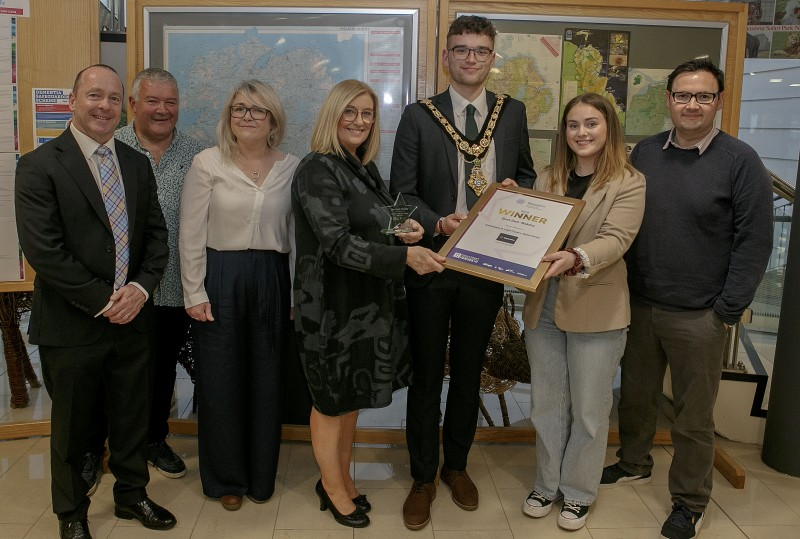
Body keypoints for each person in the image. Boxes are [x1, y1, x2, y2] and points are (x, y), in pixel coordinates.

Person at [600, 57, 773, 539]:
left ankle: (690, 501)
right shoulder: (646, 153)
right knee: (634, 398)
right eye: (682, 95)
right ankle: (633, 462)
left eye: (702, 96)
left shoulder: (741, 161)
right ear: (669, 100)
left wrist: (726, 310)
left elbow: (754, 241)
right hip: (639, 303)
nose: (691, 104)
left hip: (700, 313)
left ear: (718, 101)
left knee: (693, 418)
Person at [14, 64, 175, 539]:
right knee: (72, 427)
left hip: (133, 319)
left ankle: (132, 496)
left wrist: (141, 290)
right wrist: (106, 301)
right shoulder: (39, 164)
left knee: (131, 417)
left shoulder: (135, 161)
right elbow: (45, 251)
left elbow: (155, 237)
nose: (103, 106)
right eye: (94, 96)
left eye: (112, 98)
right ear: (73, 101)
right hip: (73, 322)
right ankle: (71, 512)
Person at [390, 15, 535, 530]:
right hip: (431, 262)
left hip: (486, 266)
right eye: (461, 50)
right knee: (428, 375)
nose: (471, 58)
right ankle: (423, 476)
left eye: (480, 50)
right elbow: (400, 192)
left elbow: (529, 175)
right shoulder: (418, 116)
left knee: (471, 373)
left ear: (492, 56)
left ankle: (457, 466)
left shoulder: (511, 113)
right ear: (446, 57)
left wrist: (518, 195)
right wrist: (436, 221)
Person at [292, 79, 445, 529]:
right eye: (351, 112)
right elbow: (338, 244)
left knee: (351, 396)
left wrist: (410, 230)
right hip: (330, 308)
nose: (360, 121)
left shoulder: (363, 166)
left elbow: (387, 214)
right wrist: (405, 256)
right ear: (332, 115)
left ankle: (337, 476)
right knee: (330, 401)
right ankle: (333, 487)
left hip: (365, 306)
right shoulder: (317, 168)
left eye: (368, 113)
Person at [520, 93, 645, 531]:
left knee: (590, 410)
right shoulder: (548, 176)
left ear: (608, 127)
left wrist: (575, 257)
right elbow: (530, 231)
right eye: (573, 125)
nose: (582, 133)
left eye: (591, 123)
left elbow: (616, 239)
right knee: (547, 405)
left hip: (598, 306)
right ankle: (546, 484)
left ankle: (577, 493)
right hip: (545, 304)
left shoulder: (628, 181)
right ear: (564, 132)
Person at [82, 68, 206, 487]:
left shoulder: (198, 154)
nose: (162, 110)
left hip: (174, 287)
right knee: (109, 375)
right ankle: (97, 447)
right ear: (132, 105)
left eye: (170, 102)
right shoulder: (110, 149)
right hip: (121, 290)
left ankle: (154, 440)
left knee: (161, 373)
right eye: (152, 101)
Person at [179, 80, 298, 511]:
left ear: (273, 120)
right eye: (238, 108)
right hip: (220, 277)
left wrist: (294, 294)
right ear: (228, 117)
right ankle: (227, 478)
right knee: (221, 379)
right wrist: (194, 290)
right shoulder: (207, 163)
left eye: (257, 110)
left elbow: (295, 238)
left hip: (272, 277)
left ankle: (261, 475)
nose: (247, 116)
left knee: (267, 378)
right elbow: (190, 233)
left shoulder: (291, 167)